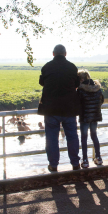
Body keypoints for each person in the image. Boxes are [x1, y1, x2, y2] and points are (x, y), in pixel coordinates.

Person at [38, 44, 81, 172]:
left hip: (51, 109)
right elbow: (77, 84)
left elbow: (42, 82)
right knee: (72, 136)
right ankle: (75, 163)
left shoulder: (46, 67)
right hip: (69, 108)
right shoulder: (72, 67)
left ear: (53, 54)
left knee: (51, 138)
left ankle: (53, 165)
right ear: (65, 53)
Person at [77, 69, 104, 168]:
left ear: (82, 79)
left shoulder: (80, 90)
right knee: (94, 136)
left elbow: (78, 104)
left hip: (84, 116)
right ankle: (99, 158)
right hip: (95, 116)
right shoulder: (98, 88)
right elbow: (101, 101)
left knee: (84, 138)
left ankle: (85, 160)